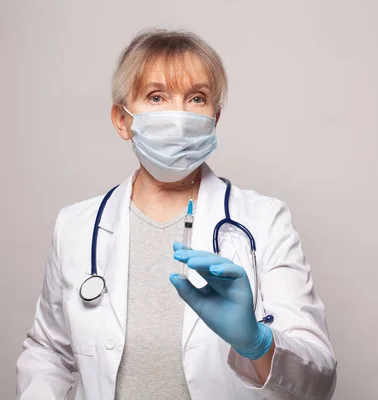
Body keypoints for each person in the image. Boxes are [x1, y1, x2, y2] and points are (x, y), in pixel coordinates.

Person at [16, 28, 336, 400]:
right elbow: (49, 353)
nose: (179, 117)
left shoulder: (264, 221)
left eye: (196, 98)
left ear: (214, 120)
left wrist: (257, 342)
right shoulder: (75, 226)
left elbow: (318, 381)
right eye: (157, 97)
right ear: (122, 120)